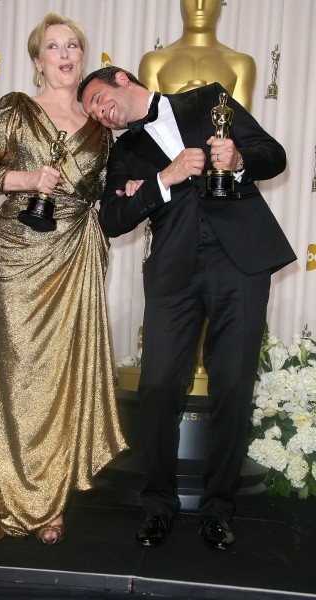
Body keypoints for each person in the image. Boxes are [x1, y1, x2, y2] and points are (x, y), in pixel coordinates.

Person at [0, 13, 127, 544]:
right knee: (19, 377)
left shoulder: (103, 124)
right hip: (19, 254)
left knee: (61, 380)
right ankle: (5, 490)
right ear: (37, 62)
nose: (65, 53)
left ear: (82, 57)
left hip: (77, 250)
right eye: (53, 46)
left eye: (73, 45)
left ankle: (49, 501)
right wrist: (28, 177)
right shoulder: (15, 108)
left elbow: (108, 190)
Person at [77, 67, 296, 550]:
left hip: (239, 263)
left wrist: (238, 159)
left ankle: (219, 510)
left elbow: (273, 154)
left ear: (120, 78)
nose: (98, 111)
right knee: (158, 387)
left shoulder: (207, 101)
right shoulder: (124, 152)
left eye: (96, 97)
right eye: (91, 110)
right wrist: (163, 179)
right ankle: (158, 506)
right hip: (173, 276)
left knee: (233, 385)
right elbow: (112, 220)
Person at [138, 0, 256, 111]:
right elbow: (150, 122)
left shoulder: (241, 65)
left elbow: (240, 125)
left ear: (221, 2)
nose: (200, 6)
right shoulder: (153, 63)